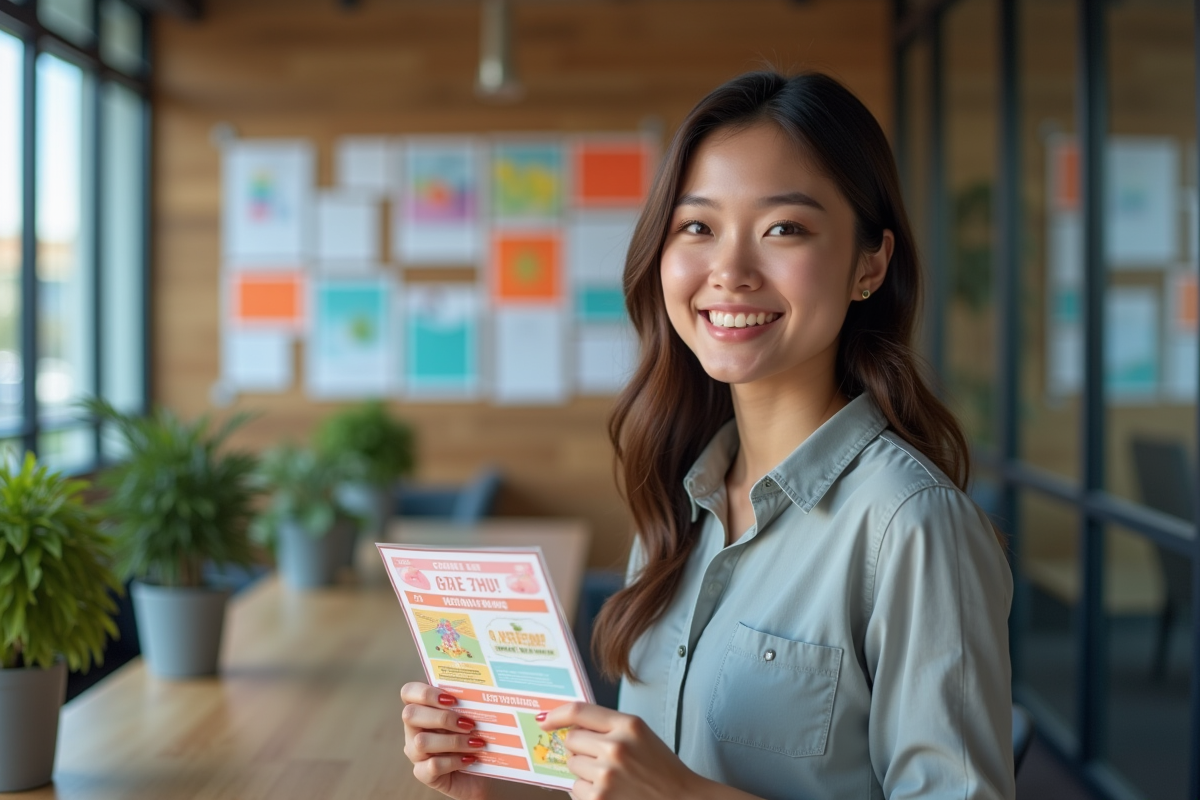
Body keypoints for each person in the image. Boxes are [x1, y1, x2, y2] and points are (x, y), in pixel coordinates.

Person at [400, 70, 1015, 800]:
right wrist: (499, 781)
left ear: (869, 264)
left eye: (784, 228)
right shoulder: (680, 504)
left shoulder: (911, 526)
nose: (729, 271)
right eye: (698, 227)